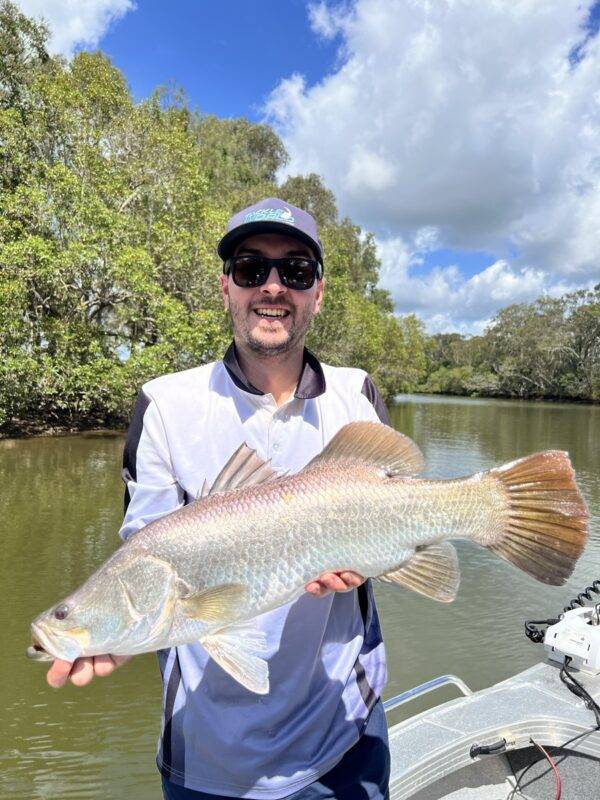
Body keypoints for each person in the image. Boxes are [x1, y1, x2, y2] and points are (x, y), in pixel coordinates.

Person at [47, 198, 392, 799]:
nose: (273, 288)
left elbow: (397, 522)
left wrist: (373, 561)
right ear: (226, 286)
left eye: (297, 272)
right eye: (252, 268)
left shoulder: (356, 392)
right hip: (210, 759)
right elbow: (147, 557)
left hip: (347, 735)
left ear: (319, 292)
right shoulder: (164, 403)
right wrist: (121, 631)